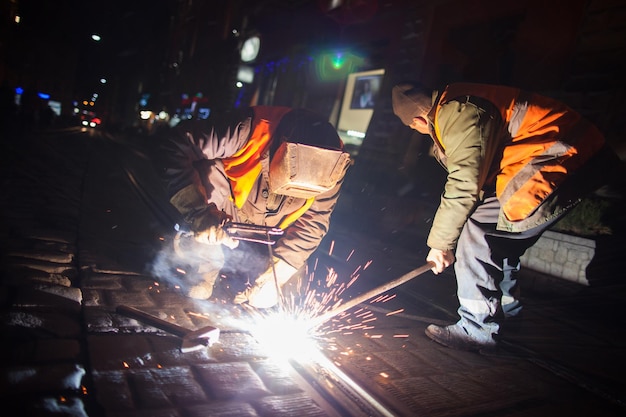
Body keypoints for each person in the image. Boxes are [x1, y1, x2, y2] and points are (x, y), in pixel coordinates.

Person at [391, 81, 622, 351]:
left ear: (419, 119)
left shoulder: (456, 112)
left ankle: (477, 327)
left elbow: (464, 183)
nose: (420, 133)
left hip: (558, 155)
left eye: (414, 128)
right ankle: (509, 313)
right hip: (566, 152)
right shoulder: (458, 103)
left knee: (477, 232)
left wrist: (440, 244)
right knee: (498, 237)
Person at [157, 106, 351, 308]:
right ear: (280, 145)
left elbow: (314, 222)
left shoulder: (333, 163)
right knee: (207, 173)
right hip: (223, 213)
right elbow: (173, 146)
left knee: (283, 289)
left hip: (272, 234)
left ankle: (270, 279)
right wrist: (198, 212)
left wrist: (277, 276)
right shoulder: (247, 130)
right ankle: (202, 264)